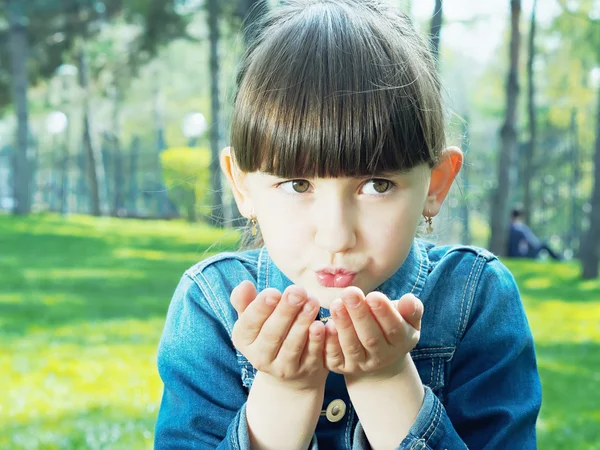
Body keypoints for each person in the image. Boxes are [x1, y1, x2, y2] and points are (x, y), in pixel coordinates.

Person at [154, 1, 541, 448]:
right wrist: (284, 390)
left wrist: (386, 379)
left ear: (435, 184)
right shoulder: (212, 307)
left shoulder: (476, 296)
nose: (336, 236)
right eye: (297, 185)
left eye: (377, 185)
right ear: (243, 186)